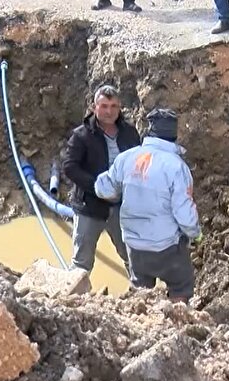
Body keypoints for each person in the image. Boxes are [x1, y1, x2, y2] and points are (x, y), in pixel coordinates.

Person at [95, 109, 200, 302]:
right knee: (181, 286)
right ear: (174, 135)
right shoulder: (176, 167)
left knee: (141, 291)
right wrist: (195, 234)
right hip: (166, 246)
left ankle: (143, 324)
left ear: (150, 131)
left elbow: (103, 188)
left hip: (134, 245)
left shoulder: (127, 158)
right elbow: (184, 213)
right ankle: (179, 324)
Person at [62, 85, 142, 274]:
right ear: (94, 107)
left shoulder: (129, 133)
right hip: (90, 207)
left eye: (114, 106)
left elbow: (139, 164)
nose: (109, 111)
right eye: (104, 106)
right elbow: (69, 167)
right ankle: (76, 300)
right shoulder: (81, 136)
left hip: (123, 207)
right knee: (81, 263)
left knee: (133, 258)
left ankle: (141, 297)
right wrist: (97, 187)